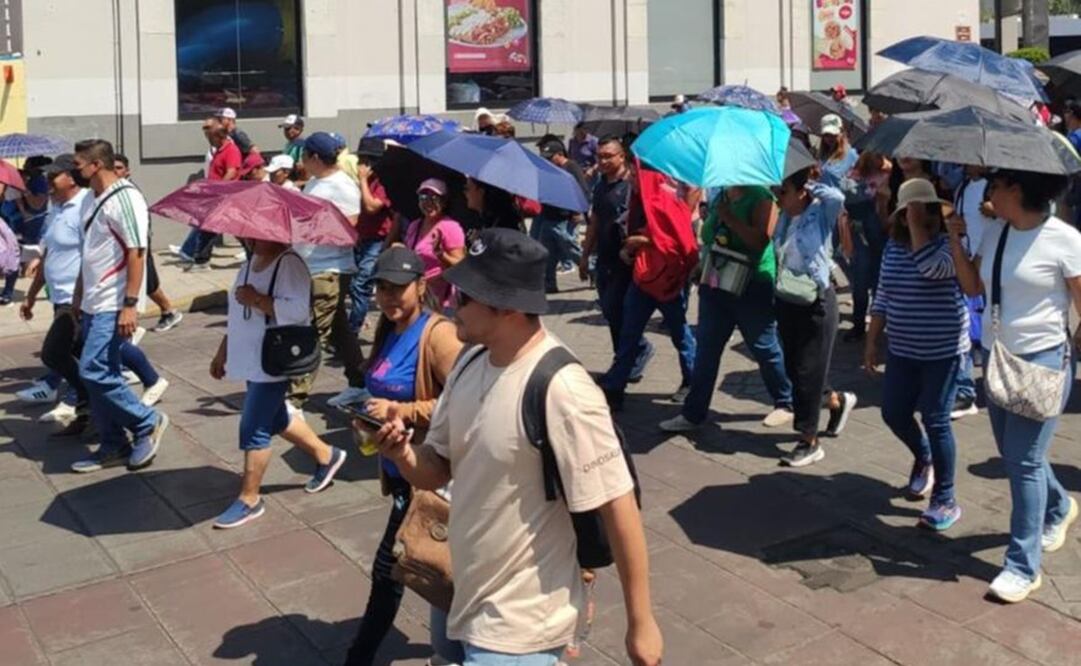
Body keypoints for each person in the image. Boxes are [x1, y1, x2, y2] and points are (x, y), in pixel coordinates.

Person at [373, 228, 663, 666]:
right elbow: (437, 468)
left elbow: (618, 506)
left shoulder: (563, 390)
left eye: (466, 296)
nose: (451, 302)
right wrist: (403, 454)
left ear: (507, 306)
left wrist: (641, 622)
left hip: (522, 622)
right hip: (461, 590)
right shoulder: (470, 361)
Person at [947, 168, 1081, 604]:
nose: (989, 195)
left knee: (1023, 461)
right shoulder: (996, 233)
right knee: (1017, 454)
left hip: (1043, 361)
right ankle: (1059, 507)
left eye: (995, 188)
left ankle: (1022, 566)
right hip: (996, 356)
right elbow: (972, 286)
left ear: (1016, 190)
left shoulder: (1065, 239)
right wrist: (955, 239)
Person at [343, 247, 463, 665]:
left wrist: (403, 412)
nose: (388, 297)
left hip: (430, 473)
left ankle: (359, 658)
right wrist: (364, 412)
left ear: (421, 286)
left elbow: (465, 399)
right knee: (424, 567)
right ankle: (457, 646)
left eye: (397, 288)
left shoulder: (439, 334)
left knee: (390, 569)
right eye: (381, 287)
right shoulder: (388, 329)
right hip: (398, 469)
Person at [22, 155, 169, 430]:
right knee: (91, 359)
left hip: (90, 299)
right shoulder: (58, 209)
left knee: (82, 362)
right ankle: (97, 415)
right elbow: (49, 254)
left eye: (53, 177)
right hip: (70, 298)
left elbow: (134, 251)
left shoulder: (89, 205)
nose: (48, 184)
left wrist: (129, 304)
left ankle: (139, 417)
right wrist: (31, 295)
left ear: (69, 177)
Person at [209, 238, 347, 528]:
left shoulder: (290, 263)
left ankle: (250, 499)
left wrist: (257, 299)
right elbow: (238, 316)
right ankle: (327, 455)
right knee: (276, 418)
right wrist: (223, 352)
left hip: (274, 361)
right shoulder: (248, 265)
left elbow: (298, 311)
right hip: (252, 358)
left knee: (254, 427)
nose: (247, 238)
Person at [864, 179, 968, 531]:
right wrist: (872, 339)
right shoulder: (893, 247)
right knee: (893, 412)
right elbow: (884, 293)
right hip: (904, 348)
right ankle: (923, 456)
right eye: (909, 210)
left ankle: (946, 497)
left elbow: (932, 268)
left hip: (943, 349)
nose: (913, 216)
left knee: (936, 418)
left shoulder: (949, 245)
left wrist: (919, 228)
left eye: (919, 209)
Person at [660, 183, 795, 433]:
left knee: (764, 346)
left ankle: (785, 401)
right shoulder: (720, 194)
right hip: (716, 281)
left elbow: (760, 241)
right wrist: (701, 265)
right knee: (707, 350)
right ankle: (693, 413)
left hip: (752, 283)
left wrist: (730, 218)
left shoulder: (761, 197)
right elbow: (711, 238)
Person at [68, 139, 170, 473]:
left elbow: (136, 251)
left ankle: (146, 421)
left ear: (96, 165)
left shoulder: (125, 198)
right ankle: (113, 444)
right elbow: (90, 253)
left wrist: (129, 305)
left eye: (78, 165)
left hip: (114, 301)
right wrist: (78, 298)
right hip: (94, 301)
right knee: (104, 372)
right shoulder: (89, 200)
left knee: (92, 370)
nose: (74, 171)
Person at [772, 167, 857, 467]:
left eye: (783, 191)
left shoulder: (820, 213)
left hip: (816, 300)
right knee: (796, 368)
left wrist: (809, 181)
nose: (777, 197)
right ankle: (837, 402)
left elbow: (837, 195)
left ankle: (809, 440)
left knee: (808, 371)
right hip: (787, 297)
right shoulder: (784, 216)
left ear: (801, 192)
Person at [599, 166, 697, 411]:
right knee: (628, 334)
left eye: (635, 174)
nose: (630, 178)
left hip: (668, 280)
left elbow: (680, 241)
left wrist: (643, 241)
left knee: (680, 334)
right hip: (643, 277)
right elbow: (636, 232)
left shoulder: (665, 197)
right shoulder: (638, 199)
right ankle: (615, 387)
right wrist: (629, 249)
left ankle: (693, 381)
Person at [292, 131, 367, 410]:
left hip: (330, 270)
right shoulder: (315, 182)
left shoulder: (342, 186)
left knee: (314, 332)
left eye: (303, 155)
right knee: (339, 331)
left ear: (313, 157)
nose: (301, 161)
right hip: (312, 266)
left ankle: (293, 397)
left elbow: (349, 231)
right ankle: (359, 383)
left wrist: (310, 228)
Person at [580, 137, 653, 380]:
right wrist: (584, 255)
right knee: (611, 313)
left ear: (622, 157)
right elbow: (596, 221)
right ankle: (629, 355)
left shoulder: (632, 185)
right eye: (600, 156)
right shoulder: (601, 185)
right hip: (605, 258)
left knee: (619, 310)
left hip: (626, 260)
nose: (603, 161)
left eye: (609, 156)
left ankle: (629, 359)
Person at [114, 154, 184, 333]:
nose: (116, 171)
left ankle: (168, 311)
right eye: (113, 167)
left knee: (148, 283)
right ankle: (168, 311)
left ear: (128, 171)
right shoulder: (114, 191)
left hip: (139, 245)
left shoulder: (131, 192)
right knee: (147, 284)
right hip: (129, 246)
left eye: (120, 168)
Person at [950, 165, 995, 420]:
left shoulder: (994, 188)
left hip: (990, 265)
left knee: (991, 329)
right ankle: (965, 392)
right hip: (968, 263)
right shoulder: (963, 186)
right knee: (964, 327)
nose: (966, 164)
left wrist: (995, 210)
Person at [838, 151, 891, 342]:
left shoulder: (889, 174)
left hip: (882, 235)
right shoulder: (854, 175)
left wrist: (883, 199)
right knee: (860, 283)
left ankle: (878, 329)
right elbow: (847, 193)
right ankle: (859, 324)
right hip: (860, 234)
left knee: (880, 285)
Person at [177, 118, 242, 270]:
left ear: (219, 136)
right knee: (209, 229)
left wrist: (219, 188)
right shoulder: (219, 151)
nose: (208, 141)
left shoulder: (231, 150)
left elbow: (232, 171)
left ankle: (253, 253)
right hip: (216, 195)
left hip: (226, 196)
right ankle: (201, 260)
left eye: (210, 138)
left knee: (235, 229)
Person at [349, 143, 395, 333]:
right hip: (365, 237)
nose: (360, 165)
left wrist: (362, 180)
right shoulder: (369, 182)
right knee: (356, 284)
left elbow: (371, 206)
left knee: (361, 284)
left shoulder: (383, 183)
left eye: (364, 161)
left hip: (379, 240)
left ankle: (353, 328)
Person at [402, 178, 466, 311]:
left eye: (434, 198)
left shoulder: (450, 227)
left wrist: (442, 256)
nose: (428, 202)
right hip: (418, 296)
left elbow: (461, 266)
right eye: (423, 197)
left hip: (442, 302)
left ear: (444, 201)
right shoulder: (415, 225)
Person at [535, 137, 588, 293]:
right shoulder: (550, 169)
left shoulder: (571, 167)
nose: (548, 161)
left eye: (550, 157)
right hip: (549, 214)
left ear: (559, 154)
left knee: (571, 249)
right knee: (548, 253)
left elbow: (582, 189)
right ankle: (549, 283)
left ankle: (593, 270)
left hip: (564, 217)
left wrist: (577, 211)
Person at [817, 114, 859, 189]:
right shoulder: (822, 155)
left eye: (833, 134)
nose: (830, 138)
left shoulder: (851, 154)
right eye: (827, 135)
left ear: (841, 132)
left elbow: (856, 183)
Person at [279, 114, 307, 181]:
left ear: (298, 129)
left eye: (288, 128)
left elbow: (301, 167)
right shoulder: (289, 144)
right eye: (285, 129)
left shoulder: (301, 145)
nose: (286, 131)